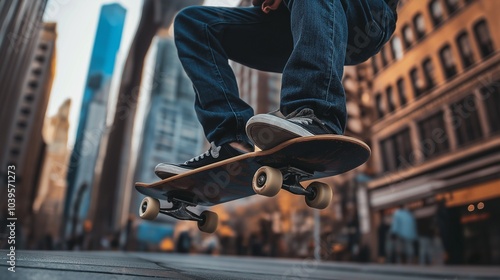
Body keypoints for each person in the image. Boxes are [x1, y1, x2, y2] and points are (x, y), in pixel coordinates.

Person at [155, 0, 398, 178]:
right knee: (193, 23)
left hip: (366, 16)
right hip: (301, 19)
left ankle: (316, 114)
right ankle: (231, 141)